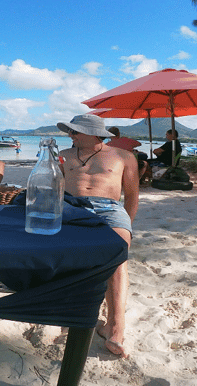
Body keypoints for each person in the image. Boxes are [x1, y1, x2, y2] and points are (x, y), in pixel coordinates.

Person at [57, 114, 139, 358]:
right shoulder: (63, 154)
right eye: (70, 132)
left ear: (92, 133)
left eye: (75, 131)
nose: (70, 135)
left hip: (109, 209)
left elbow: (132, 195)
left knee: (117, 256)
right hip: (72, 206)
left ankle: (115, 327)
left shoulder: (123, 156)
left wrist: (127, 224)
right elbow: (52, 184)